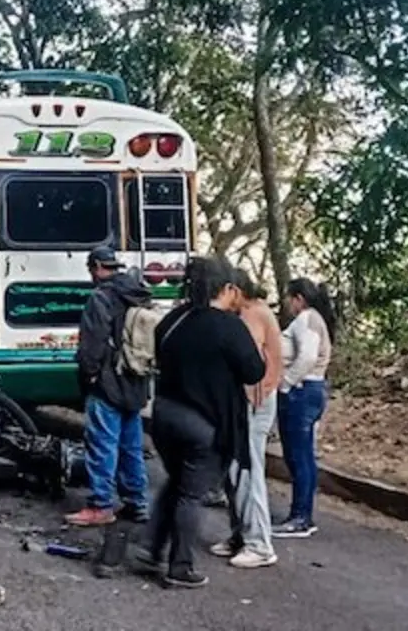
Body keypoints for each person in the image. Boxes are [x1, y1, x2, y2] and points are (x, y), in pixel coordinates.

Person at [146, 257, 265, 588]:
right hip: (204, 423)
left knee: (178, 483)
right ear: (226, 289)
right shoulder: (228, 326)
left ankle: (150, 548)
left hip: (164, 415)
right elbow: (254, 371)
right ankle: (179, 566)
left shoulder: (171, 320)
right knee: (191, 494)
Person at [70, 245, 153, 527]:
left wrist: (90, 375)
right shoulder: (140, 294)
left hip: (107, 382)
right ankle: (136, 501)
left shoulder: (101, 297)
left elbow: (92, 344)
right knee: (131, 444)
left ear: (95, 267)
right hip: (135, 379)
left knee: (102, 444)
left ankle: (100, 504)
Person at [211, 270, 283, 569]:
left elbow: (253, 361)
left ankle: (259, 543)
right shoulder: (249, 313)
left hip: (256, 400)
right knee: (233, 471)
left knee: (248, 471)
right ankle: (241, 534)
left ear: (235, 290)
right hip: (246, 401)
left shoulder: (254, 314)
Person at [273, 276, 336, 539]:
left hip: (302, 391)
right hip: (311, 390)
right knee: (304, 455)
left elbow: (307, 356)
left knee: (297, 456)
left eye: (288, 299)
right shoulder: (315, 320)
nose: (286, 304)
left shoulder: (305, 320)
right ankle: (303, 512)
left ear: (297, 298)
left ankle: (300, 516)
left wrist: (286, 383)